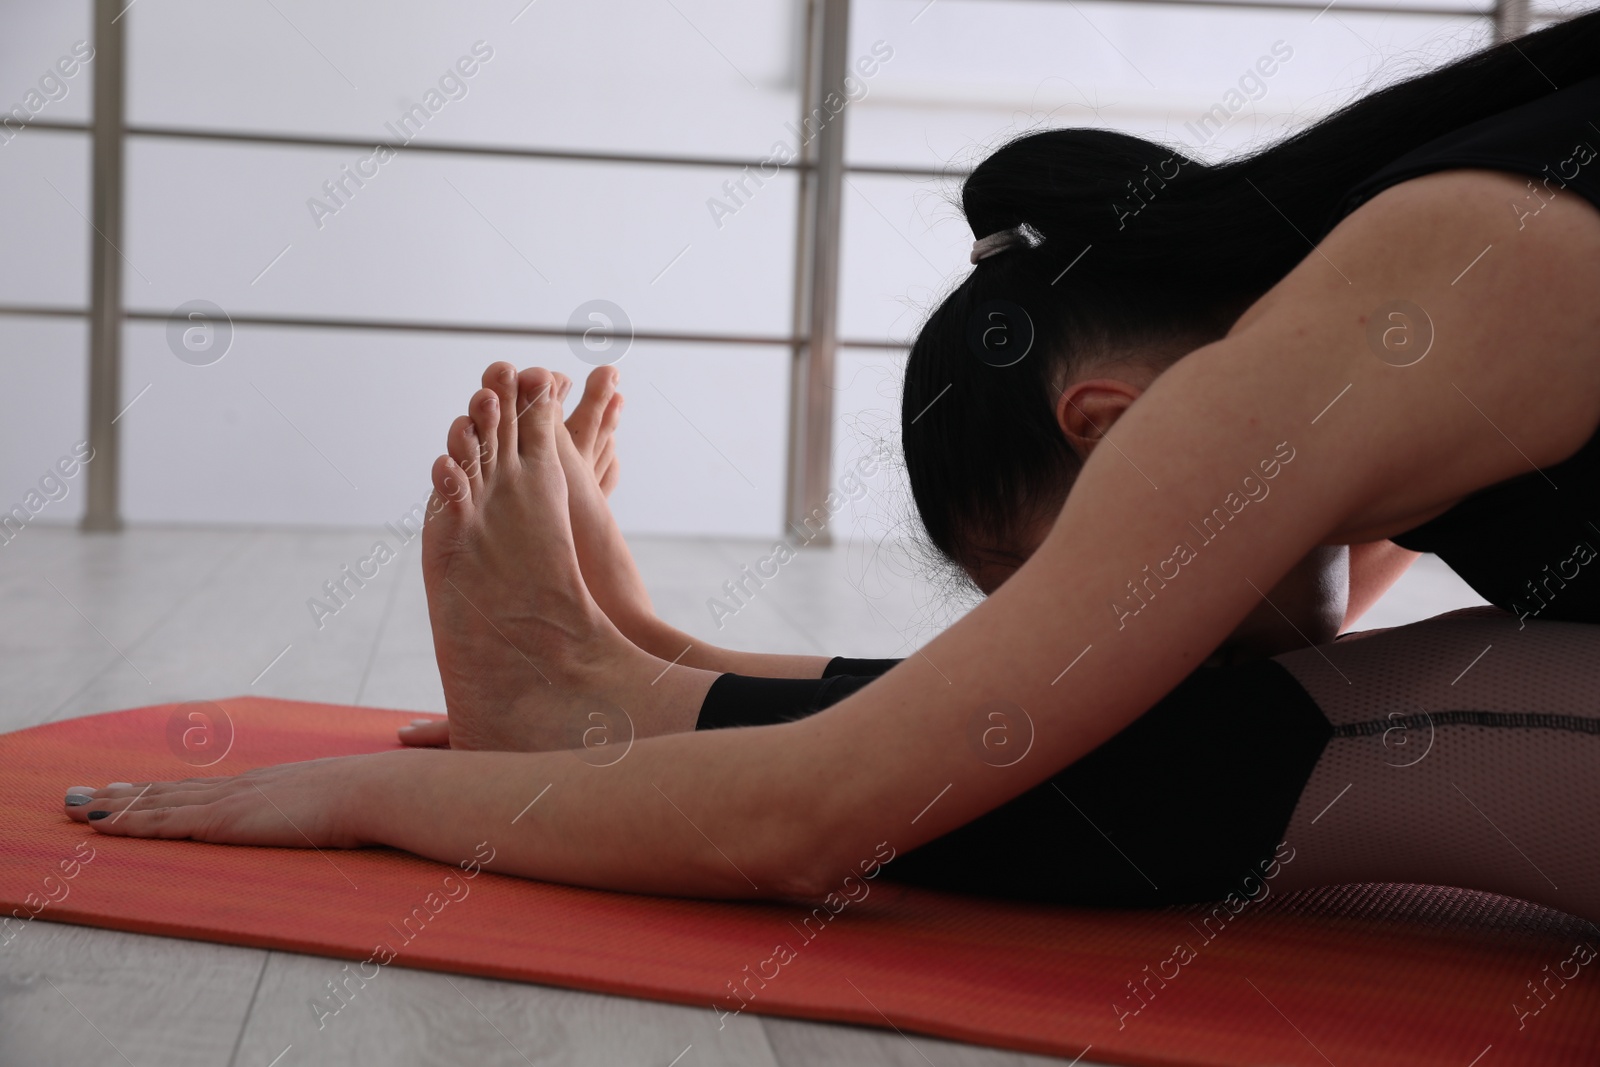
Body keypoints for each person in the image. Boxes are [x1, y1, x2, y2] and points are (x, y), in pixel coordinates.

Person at [65, 15, 1600, 924]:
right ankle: (624, 687)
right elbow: (1028, 702)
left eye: (1064, 569)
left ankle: (596, 703)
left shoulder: (1382, 299)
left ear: (1107, 425)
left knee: (1362, 735)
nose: (1079, 615)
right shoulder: (1407, 278)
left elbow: (810, 820)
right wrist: (684, 656)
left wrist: (351, 804)